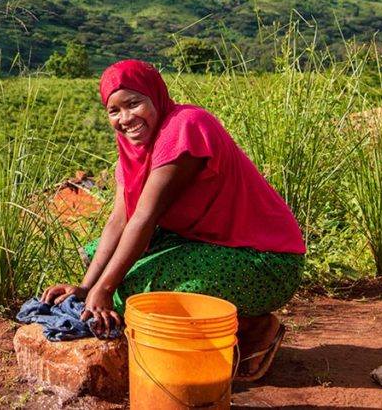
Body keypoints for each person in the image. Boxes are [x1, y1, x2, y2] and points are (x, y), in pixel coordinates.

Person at [41, 59, 305, 382]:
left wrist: (105, 288)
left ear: (155, 96)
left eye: (134, 103)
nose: (126, 119)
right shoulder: (133, 147)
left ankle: (254, 329)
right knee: (97, 252)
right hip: (215, 242)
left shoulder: (185, 129)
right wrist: (86, 287)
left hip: (267, 261)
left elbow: (144, 218)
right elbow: (118, 220)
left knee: (132, 289)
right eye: (114, 110)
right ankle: (209, 331)